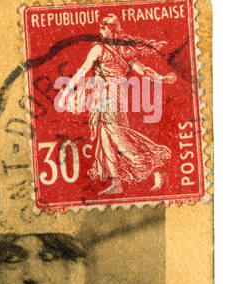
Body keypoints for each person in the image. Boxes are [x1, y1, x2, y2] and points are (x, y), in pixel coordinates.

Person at [58, 15, 176, 196]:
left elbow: (142, 70)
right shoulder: (107, 49)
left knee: (117, 136)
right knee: (108, 140)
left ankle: (155, 163)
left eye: (104, 27)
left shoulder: (112, 50)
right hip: (106, 97)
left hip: (110, 97)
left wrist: (162, 79)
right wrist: (67, 91)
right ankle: (118, 182)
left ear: (113, 29)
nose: (101, 29)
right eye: (101, 26)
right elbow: (83, 71)